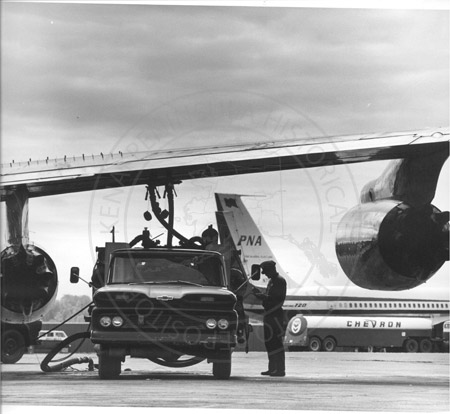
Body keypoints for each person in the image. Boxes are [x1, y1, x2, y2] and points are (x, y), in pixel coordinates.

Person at [252, 260, 287, 377]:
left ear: (271, 269)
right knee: (269, 343)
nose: (264, 274)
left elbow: (277, 299)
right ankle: (272, 368)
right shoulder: (272, 281)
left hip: (275, 315)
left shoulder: (280, 281)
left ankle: (280, 369)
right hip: (269, 314)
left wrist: (263, 297)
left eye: (265, 271)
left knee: (276, 343)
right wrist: (262, 296)